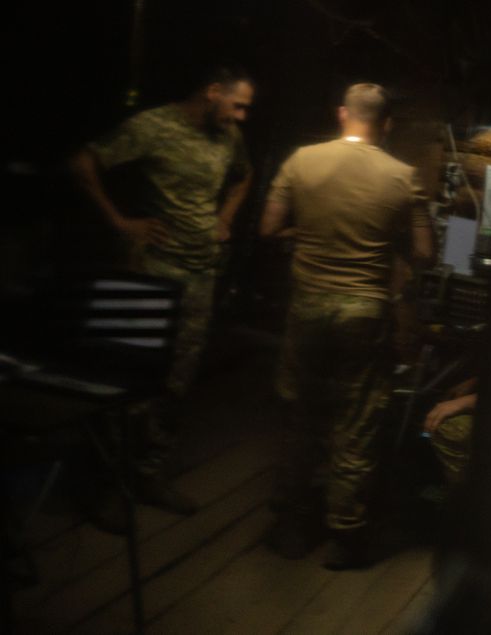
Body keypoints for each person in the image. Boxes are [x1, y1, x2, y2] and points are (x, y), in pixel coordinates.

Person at [259, 82, 432, 569]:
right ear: (387, 124)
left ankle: (291, 527)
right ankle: (345, 534)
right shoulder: (403, 176)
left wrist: (306, 233)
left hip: (309, 306)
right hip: (364, 311)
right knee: (355, 421)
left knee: (301, 415)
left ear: (342, 115)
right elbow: (423, 252)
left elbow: (269, 229)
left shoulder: (300, 161)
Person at [71, 67, 254, 514]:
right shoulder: (154, 126)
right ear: (212, 92)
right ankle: (108, 486)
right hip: (152, 270)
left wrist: (225, 217)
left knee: (176, 382)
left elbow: (244, 175)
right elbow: (83, 162)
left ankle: (149, 475)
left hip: (200, 275)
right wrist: (119, 221)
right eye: (237, 104)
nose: (242, 116)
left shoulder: (227, 133)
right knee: (131, 377)